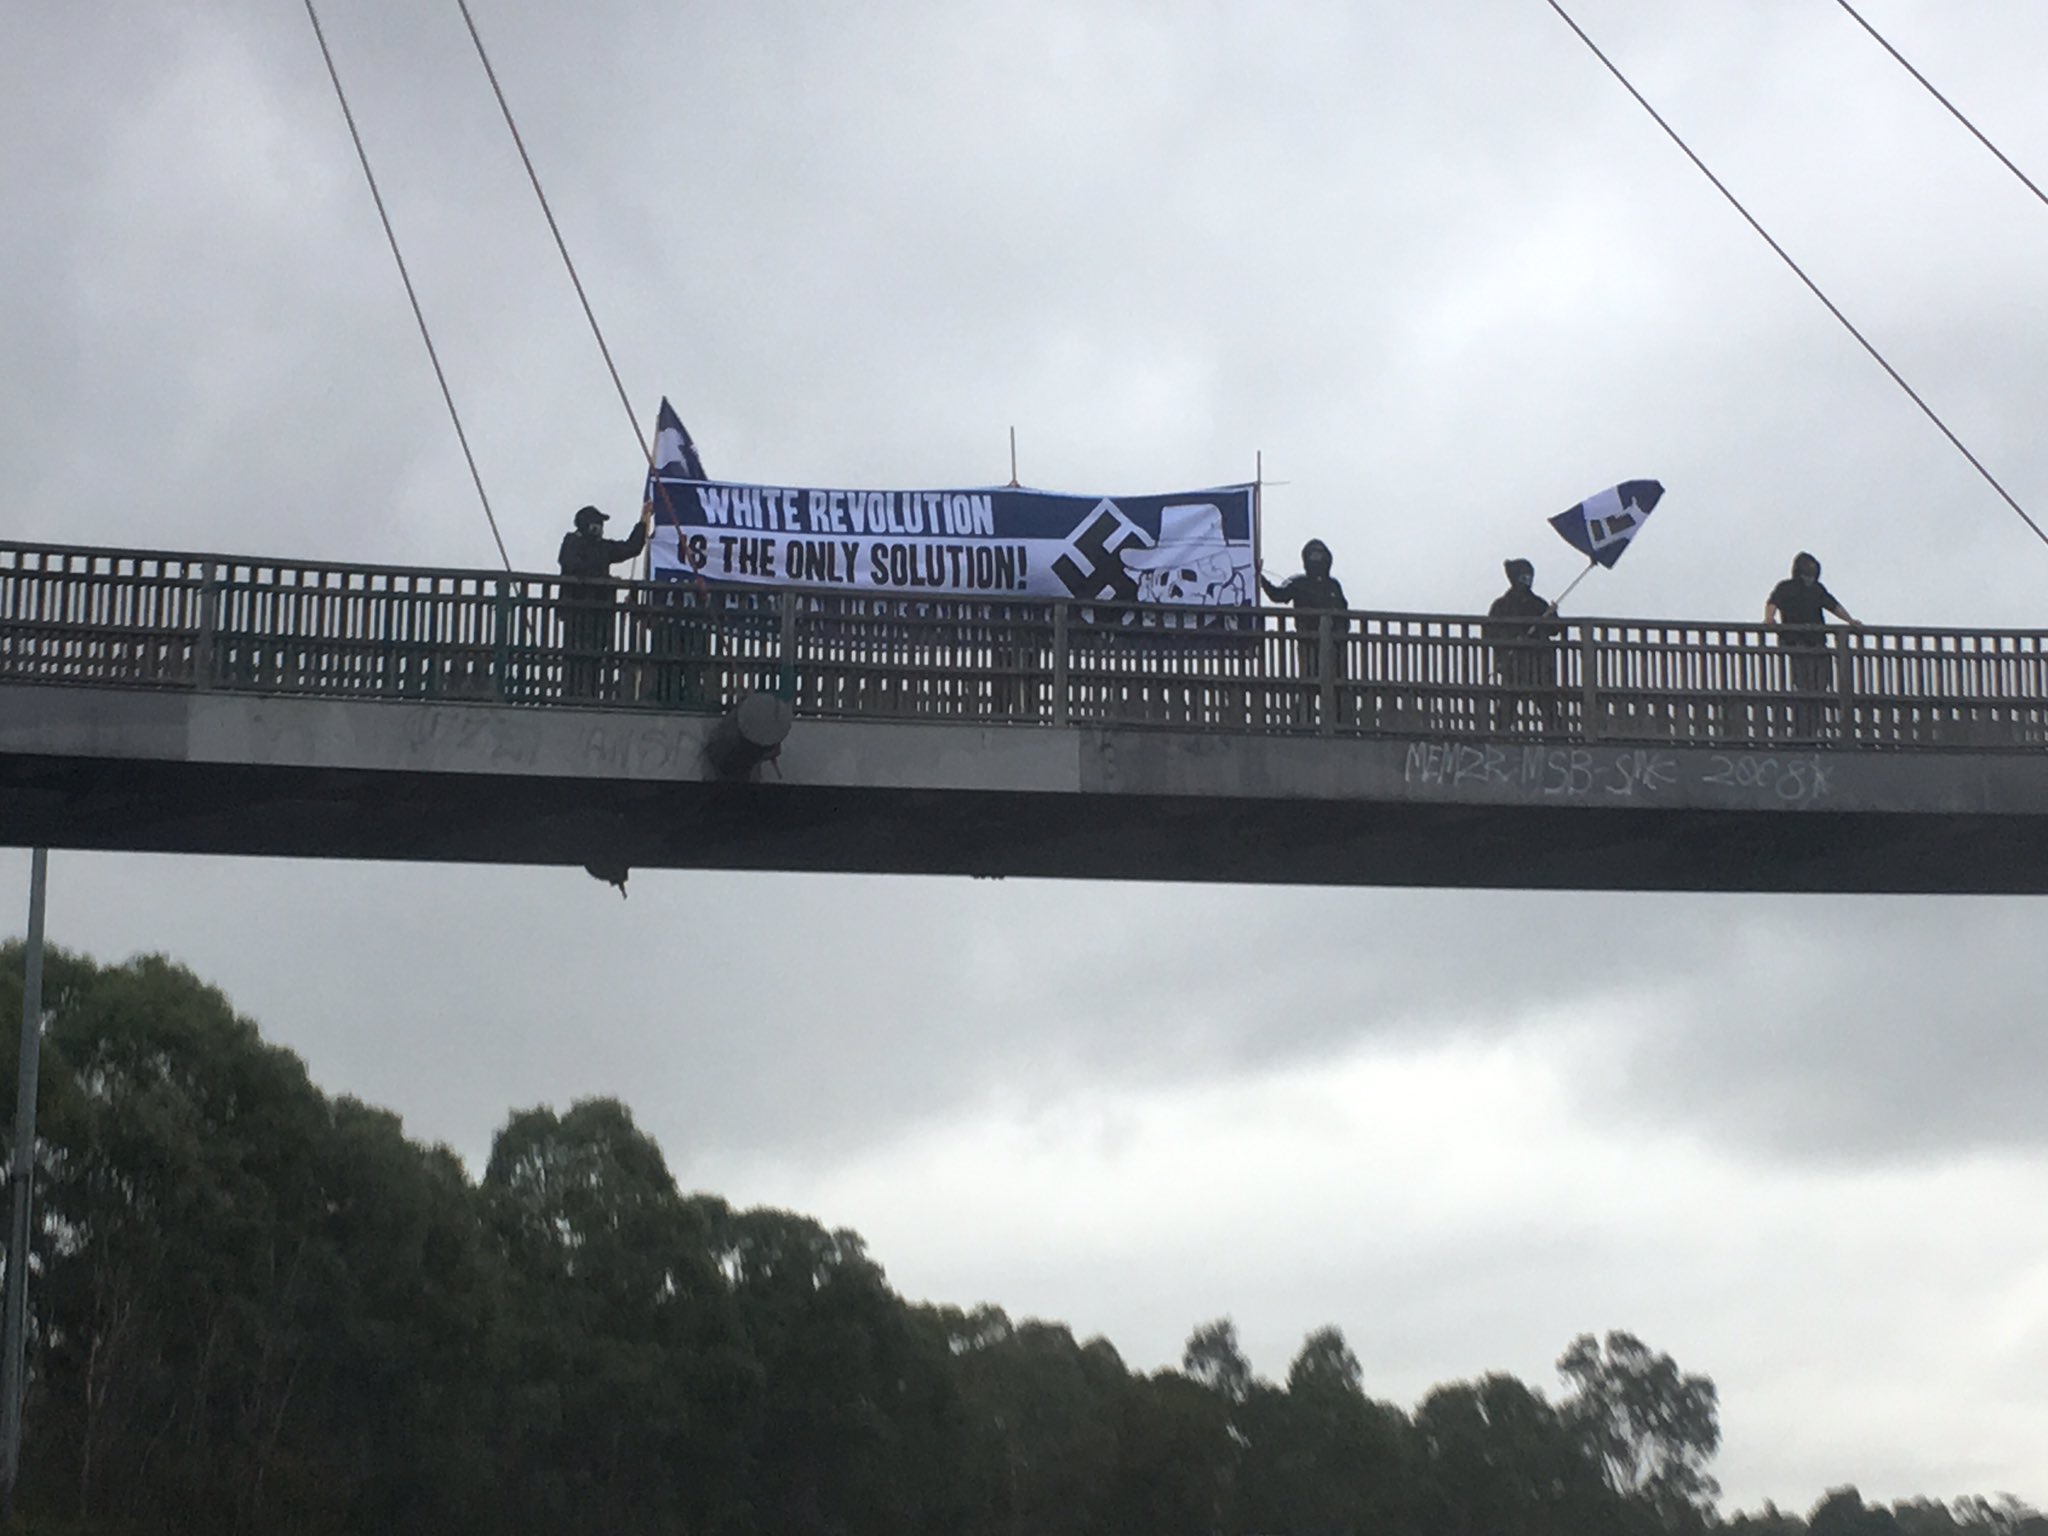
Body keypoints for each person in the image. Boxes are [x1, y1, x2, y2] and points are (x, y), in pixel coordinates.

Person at [557, 503, 650, 698]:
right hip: (577, 615)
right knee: (575, 659)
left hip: (600, 616)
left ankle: (589, 695)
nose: (600, 527)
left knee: (595, 660)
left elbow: (631, 548)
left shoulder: (603, 547)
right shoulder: (571, 543)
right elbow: (572, 564)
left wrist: (643, 521)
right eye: (596, 523)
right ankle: (571, 696)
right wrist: (605, 580)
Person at [1764, 551, 1860, 737]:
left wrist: (1850, 621)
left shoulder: (1814, 589)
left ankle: (1810, 729)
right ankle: (1805, 730)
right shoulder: (1792, 588)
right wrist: (1769, 618)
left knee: (1814, 688)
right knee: (1808, 688)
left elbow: (1833, 605)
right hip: (1802, 645)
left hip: (1813, 645)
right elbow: (1773, 603)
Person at [1259, 539, 1349, 722]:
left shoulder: (1333, 585)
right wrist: (1259, 577)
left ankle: (1340, 722)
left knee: (1336, 685)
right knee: (1308, 683)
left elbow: (1344, 612)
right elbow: (1278, 595)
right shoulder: (1298, 582)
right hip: (1307, 644)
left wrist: (1342, 634)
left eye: (1320, 555)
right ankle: (1304, 721)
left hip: (1334, 647)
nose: (1317, 560)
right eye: (1313, 555)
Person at [1486, 558, 1561, 734]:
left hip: (1538, 664)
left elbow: (1555, 629)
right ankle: (1500, 736)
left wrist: (1552, 615)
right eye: (1523, 577)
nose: (1527, 580)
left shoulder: (1539, 604)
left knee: (1547, 704)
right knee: (1508, 704)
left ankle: (1556, 737)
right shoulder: (1502, 606)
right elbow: (1490, 633)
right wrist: (1508, 643)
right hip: (1514, 664)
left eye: (1529, 576)